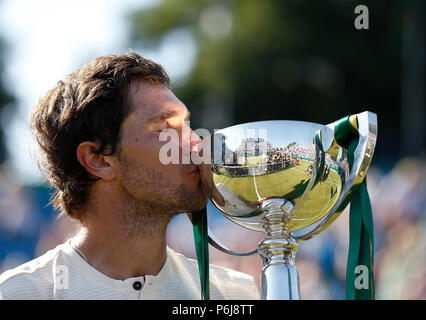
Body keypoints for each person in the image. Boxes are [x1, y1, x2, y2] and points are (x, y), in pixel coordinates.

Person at [0, 52, 260, 300]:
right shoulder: (20, 293)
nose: (197, 143)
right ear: (97, 159)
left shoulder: (234, 294)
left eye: (187, 126)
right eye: (164, 128)